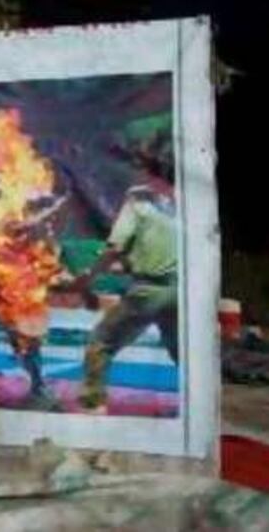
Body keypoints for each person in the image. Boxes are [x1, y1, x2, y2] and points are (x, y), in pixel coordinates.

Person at [71, 172, 178, 414]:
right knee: (181, 351)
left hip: (149, 292)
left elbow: (114, 248)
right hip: (180, 292)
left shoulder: (138, 203)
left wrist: (87, 277)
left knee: (101, 342)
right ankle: (197, 409)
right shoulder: (185, 206)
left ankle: (92, 404)